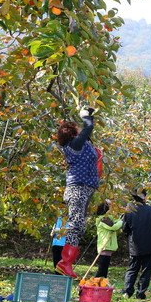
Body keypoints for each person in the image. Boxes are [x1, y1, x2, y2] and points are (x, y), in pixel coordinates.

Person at [55, 107, 99, 279]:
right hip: (77, 189)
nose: (81, 129)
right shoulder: (74, 145)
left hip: (84, 189)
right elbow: (87, 129)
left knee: (79, 225)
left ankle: (66, 263)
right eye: (77, 128)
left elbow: (87, 134)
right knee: (75, 225)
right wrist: (85, 117)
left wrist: (90, 114)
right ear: (73, 133)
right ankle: (65, 263)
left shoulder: (80, 144)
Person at [122, 186, 151, 299]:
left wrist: (130, 237)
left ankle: (127, 291)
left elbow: (125, 229)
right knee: (146, 270)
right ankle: (141, 293)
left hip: (135, 244)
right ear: (144, 198)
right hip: (150, 245)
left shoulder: (128, 211)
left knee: (132, 268)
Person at [95, 201, 123, 278]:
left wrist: (121, 219)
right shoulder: (103, 220)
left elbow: (114, 223)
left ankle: (102, 283)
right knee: (102, 269)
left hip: (108, 246)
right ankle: (96, 283)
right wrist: (121, 221)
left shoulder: (108, 218)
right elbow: (114, 227)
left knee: (104, 268)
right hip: (105, 245)